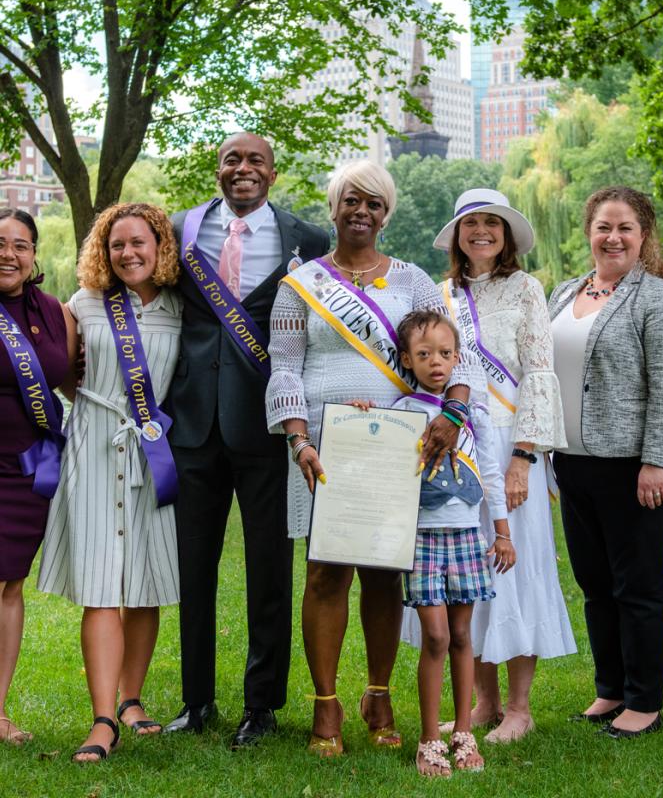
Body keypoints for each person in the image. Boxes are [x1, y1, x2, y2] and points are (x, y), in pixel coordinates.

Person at [266, 160, 468, 756]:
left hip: (397, 446)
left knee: (383, 569)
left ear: (387, 213)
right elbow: (283, 365)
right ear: (333, 208)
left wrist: (450, 417)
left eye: (374, 203)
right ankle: (325, 705)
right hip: (321, 447)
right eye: (351, 201)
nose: (362, 212)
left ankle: (378, 695)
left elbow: (457, 359)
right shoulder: (298, 284)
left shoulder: (413, 282)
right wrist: (297, 438)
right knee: (325, 570)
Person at [164, 132, 329, 747]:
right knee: (194, 568)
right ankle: (196, 699)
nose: (243, 169)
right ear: (218, 170)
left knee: (268, 568)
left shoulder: (306, 240)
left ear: (273, 172)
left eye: (254, 160)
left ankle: (261, 706)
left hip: (265, 425)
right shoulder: (180, 230)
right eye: (232, 159)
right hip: (193, 423)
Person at [418, 188, 575, 743]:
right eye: (470, 223)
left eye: (492, 223)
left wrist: (523, 458)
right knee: (466, 567)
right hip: (458, 443)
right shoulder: (441, 296)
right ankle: (481, 701)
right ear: (457, 235)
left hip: (510, 440)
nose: (480, 231)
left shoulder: (527, 288)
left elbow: (538, 373)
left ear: (506, 235)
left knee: (516, 567)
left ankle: (520, 707)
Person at [37, 203, 182, 761]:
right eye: (117, 244)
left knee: (144, 583)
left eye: (139, 243)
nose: (128, 253)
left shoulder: (179, 309)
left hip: (153, 457)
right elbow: (64, 375)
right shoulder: (82, 306)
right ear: (103, 250)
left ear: (160, 246)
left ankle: (133, 699)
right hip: (94, 451)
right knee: (100, 585)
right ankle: (103, 719)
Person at [549, 186, 663, 738]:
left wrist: (657, 460)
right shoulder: (563, 293)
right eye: (603, 226)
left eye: (625, 228)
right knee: (594, 583)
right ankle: (609, 689)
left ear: (643, 236)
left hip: (636, 467)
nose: (612, 237)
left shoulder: (659, 299)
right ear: (589, 230)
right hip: (574, 462)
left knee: (637, 586)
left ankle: (644, 701)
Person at [390, 310, 513, 777]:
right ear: (407, 359)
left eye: (444, 354)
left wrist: (501, 532)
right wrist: (364, 417)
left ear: (457, 358)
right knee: (436, 637)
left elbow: (493, 476)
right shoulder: (402, 411)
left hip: (467, 536)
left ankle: (463, 732)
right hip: (421, 538)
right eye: (424, 355)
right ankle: (429, 738)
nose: (435, 363)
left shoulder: (471, 414)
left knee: (463, 636)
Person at [0, 209, 76, 745]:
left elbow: (77, 382)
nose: (8, 253)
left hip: (29, 470)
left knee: (9, 585)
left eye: (20, 245)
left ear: (34, 257)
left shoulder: (54, 314)